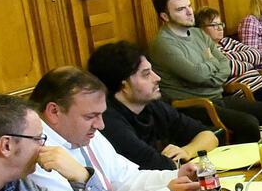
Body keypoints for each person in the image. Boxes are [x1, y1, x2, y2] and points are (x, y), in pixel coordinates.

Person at [30, 65, 200, 191]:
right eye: (91, 116)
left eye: (101, 114)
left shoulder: (83, 133)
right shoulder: (37, 154)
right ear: (54, 112)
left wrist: (176, 177)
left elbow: (123, 180)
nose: (101, 125)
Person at [148, 0, 262, 140]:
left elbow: (224, 64)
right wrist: (213, 63)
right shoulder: (163, 44)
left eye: (189, 6)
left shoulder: (197, 33)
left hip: (217, 96)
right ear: (165, 16)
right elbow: (198, 75)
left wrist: (211, 68)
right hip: (192, 105)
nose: (189, 12)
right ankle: (256, 162)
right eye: (181, 9)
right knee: (248, 123)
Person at [88, 40, 221, 171]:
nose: (157, 78)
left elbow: (209, 136)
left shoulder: (153, 106)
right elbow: (158, 166)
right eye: (146, 75)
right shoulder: (109, 121)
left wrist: (187, 151)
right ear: (124, 86)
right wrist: (177, 161)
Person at [195, 8, 262, 101]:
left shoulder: (227, 41)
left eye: (220, 24)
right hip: (247, 90)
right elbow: (227, 68)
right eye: (214, 25)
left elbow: (257, 54)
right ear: (201, 30)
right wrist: (249, 63)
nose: (220, 28)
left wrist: (232, 60)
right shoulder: (206, 51)